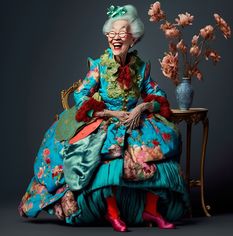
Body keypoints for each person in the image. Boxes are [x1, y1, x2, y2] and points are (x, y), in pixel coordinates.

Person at [18, 4, 190, 232]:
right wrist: (108, 113)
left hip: (133, 120)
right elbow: (81, 94)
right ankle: (112, 212)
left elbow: (157, 93)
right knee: (103, 157)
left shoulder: (141, 68)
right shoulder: (99, 66)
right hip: (106, 120)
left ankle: (151, 209)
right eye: (112, 33)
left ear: (133, 39)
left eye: (121, 34)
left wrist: (142, 107)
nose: (115, 38)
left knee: (158, 150)